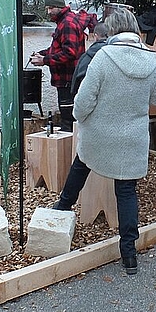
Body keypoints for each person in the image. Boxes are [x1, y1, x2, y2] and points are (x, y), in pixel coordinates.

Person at [72, 8, 156, 274]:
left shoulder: (103, 57)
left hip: (100, 135)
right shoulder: (151, 58)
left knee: (81, 164)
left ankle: (61, 210)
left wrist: (81, 117)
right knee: (126, 192)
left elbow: (84, 100)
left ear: (112, 30)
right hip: (133, 139)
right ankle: (129, 255)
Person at [50, 23, 108, 211]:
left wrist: (79, 115)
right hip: (120, 128)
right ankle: (129, 238)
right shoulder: (121, 56)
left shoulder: (93, 57)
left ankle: (64, 205)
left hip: (94, 121)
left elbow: (82, 93)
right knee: (125, 186)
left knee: (82, 162)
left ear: (95, 36)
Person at [30, 0, 96, 132]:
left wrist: (45, 60)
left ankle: (69, 151)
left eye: (51, 8)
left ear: (59, 6)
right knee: (69, 119)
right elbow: (59, 47)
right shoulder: (65, 20)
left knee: (69, 121)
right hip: (68, 79)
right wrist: (42, 54)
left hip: (68, 79)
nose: (48, 12)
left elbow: (69, 53)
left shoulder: (67, 24)